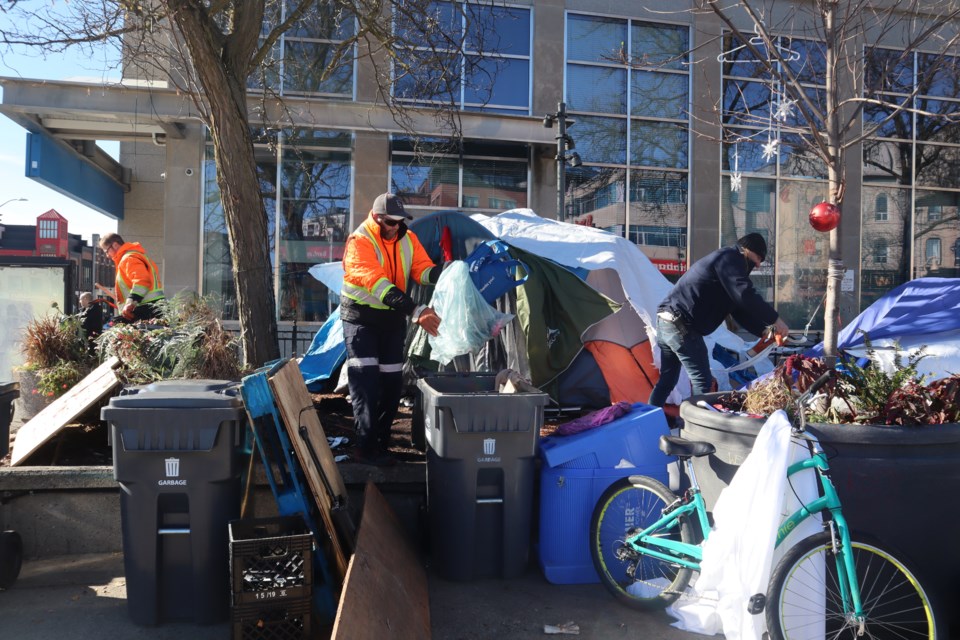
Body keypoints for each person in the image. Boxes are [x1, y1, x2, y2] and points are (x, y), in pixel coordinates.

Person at [341, 193, 442, 466]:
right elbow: (379, 285)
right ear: (376, 218)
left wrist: (443, 273)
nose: (395, 227)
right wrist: (416, 311)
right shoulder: (359, 242)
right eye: (390, 222)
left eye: (400, 222)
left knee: (391, 384)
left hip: (391, 321)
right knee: (366, 383)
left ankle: (381, 447)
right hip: (360, 320)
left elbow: (421, 269)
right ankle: (365, 448)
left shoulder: (407, 238)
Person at [648, 233, 789, 407]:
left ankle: (649, 419)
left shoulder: (727, 271)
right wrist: (776, 320)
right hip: (681, 324)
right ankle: (696, 427)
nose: (758, 264)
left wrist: (765, 331)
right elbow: (745, 294)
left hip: (667, 320)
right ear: (746, 250)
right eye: (759, 257)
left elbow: (739, 311)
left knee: (668, 380)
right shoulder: (730, 257)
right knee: (702, 381)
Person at [95, 233, 165, 323]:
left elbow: (142, 281)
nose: (107, 255)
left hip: (146, 309)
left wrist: (130, 303)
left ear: (115, 245)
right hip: (150, 307)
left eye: (106, 251)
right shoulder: (133, 256)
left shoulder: (128, 258)